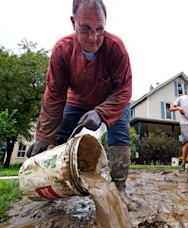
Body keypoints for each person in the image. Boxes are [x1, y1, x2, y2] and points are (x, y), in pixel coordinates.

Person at [26, 0, 133, 199]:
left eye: (99, 29)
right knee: (58, 137)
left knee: (120, 134)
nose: (93, 38)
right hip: (77, 99)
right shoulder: (62, 50)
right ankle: (53, 182)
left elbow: (124, 89)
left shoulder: (116, 48)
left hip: (113, 100)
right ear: (73, 22)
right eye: (85, 28)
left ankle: (119, 187)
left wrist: (101, 112)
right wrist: (43, 135)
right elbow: (54, 94)